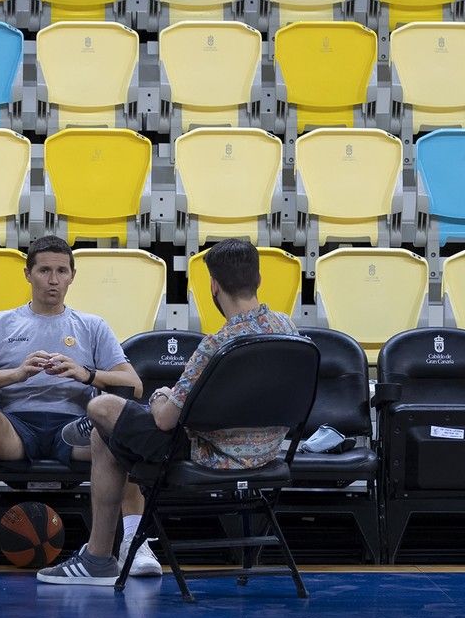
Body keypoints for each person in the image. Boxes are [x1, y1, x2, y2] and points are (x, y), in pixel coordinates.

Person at [36, 238, 299, 585]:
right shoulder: (289, 331)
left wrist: (162, 395)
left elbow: (164, 419)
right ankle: (99, 557)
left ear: (213, 285)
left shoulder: (216, 346)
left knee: (102, 406)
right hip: (268, 455)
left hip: (208, 455)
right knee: (107, 435)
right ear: (259, 280)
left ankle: (99, 556)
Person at [0, 235, 162, 578]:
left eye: (61, 271)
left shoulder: (92, 325)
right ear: (28, 274)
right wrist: (17, 373)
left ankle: (134, 541)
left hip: (74, 428)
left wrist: (87, 374)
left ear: (72, 276)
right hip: (16, 427)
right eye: (44, 270)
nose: (53, 280)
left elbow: (134, 385)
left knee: (118, 428)